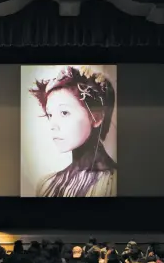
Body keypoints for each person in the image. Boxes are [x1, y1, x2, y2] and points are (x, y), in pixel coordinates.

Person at [29, 65, 117, 197]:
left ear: (97, 117)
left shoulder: (116, 184)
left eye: (64, 112)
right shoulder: (46, 185)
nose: (53, 125)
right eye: (50, 115)